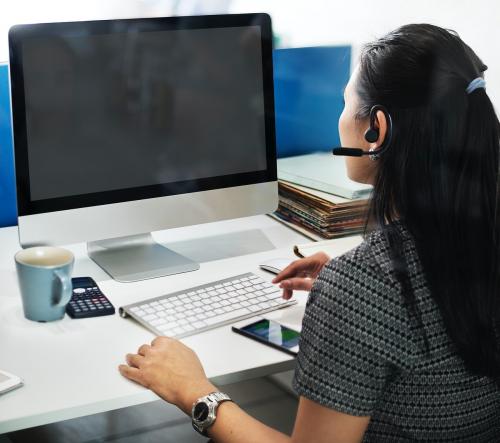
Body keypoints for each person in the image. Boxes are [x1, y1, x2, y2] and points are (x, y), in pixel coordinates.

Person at [119, 23, 500, 442]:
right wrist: (352, 282)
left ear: (377, 130)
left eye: (344, 102)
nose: (339, 117)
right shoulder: (477, 239)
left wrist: (194, 392)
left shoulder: (365, 286)